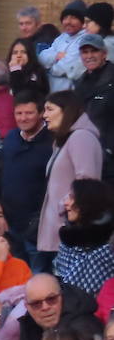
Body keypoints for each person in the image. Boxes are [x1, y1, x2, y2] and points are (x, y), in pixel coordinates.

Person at [37, 92, 105, 270]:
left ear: (67, 111)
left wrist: (63, 209)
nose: (44, 115)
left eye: (50, 109)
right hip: (61, 231)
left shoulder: (81, 138)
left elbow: (87, 183)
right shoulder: (64, 141)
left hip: (71, 233)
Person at [0, 92, 54, 269]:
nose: (23, 118)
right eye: (19, 113)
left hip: (37, 227)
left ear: (40, 113)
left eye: (29, 113)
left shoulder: (52, 141)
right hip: (10, 223)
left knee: (38, 275)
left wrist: (38, 220)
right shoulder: (11, 138)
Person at [54, 178, 114, 295]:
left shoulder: (108, 250)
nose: (66, 202)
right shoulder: (69, 239)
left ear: (87, 203)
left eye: (72, 197)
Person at [74, 32, 114, 163]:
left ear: (104, 53)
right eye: (85, 52)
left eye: (94, 51)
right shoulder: (80, 83)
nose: (89, 56)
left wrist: (109, 149)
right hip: (85, 150)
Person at [39, 0, 89, 92]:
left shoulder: (86, 39)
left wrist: (49, 69)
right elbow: (42, 57)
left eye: (73, 18)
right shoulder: (61, 38)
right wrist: (56, 56)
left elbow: (71, 68)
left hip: (71, 94)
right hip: (52, 92)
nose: (68, 22)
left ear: (83, 21)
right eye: (65, 18)